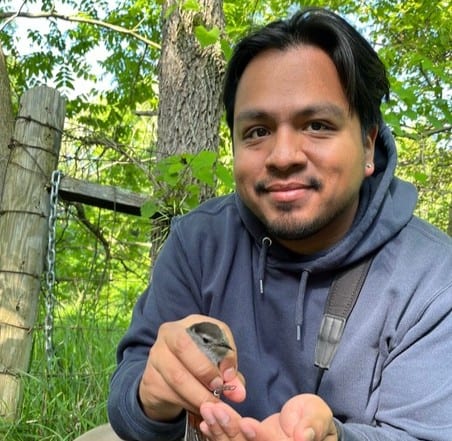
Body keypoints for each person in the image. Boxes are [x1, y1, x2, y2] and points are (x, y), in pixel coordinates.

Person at [107, 7, 452, 441]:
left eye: (317, 125)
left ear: (368, 143)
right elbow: (131, 389)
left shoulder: (432, 278)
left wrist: (335, 437)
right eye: (257, 131)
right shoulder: (199, 244)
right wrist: (150, 397)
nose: (283, 155)